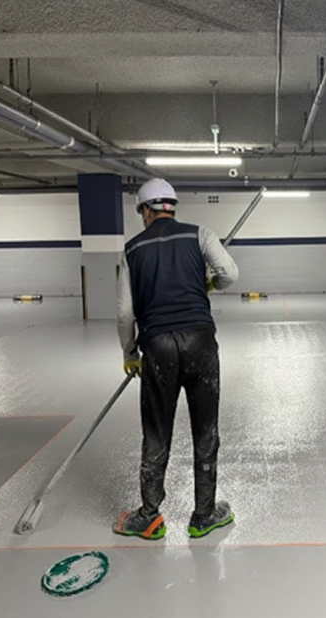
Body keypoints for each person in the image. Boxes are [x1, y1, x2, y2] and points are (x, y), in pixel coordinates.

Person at [115, 178, 239, 540]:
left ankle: (149, 516)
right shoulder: (200, 235)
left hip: (158, 347)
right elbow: (230, 274)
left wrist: (130, 352)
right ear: (171, 207)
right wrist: (210, 284)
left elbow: (125, 313)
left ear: (146, 210)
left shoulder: (132, 249)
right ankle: (204, 515)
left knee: (156, 432)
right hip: (200, 343)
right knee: (206, 431)